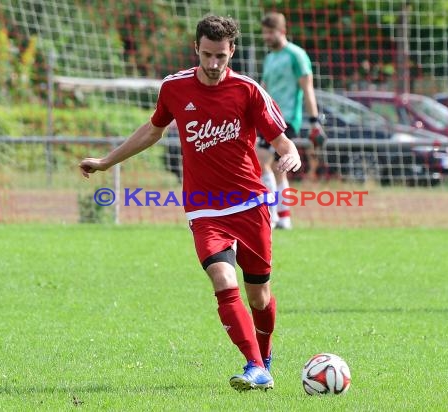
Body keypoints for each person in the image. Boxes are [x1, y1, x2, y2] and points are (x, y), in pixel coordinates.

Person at [79, 15, 301, 392]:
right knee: (221, 278)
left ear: (232, 51)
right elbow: (152, 130)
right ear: (196, 48)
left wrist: (290, 154)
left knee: (259, 295)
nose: (214, 65)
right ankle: (254, 366)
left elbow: (281, 140)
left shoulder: (248, 90)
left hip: (250, 204)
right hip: (204, 207)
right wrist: (105, 162)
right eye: (208, 55)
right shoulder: (175, 88)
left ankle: (264, 357)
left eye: (221, 56)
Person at [257, 12, 325, 230]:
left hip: (286, 118)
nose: (266, 37)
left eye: (270, 32)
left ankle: (271, 214)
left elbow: (308, 89)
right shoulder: (269, 58)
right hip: (268, 118)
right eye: (264, 33)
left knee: (260, 160)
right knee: (278, 168)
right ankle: (284, 218)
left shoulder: (296, 55)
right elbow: (264, 90)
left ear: (282, 31)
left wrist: (315, 121)